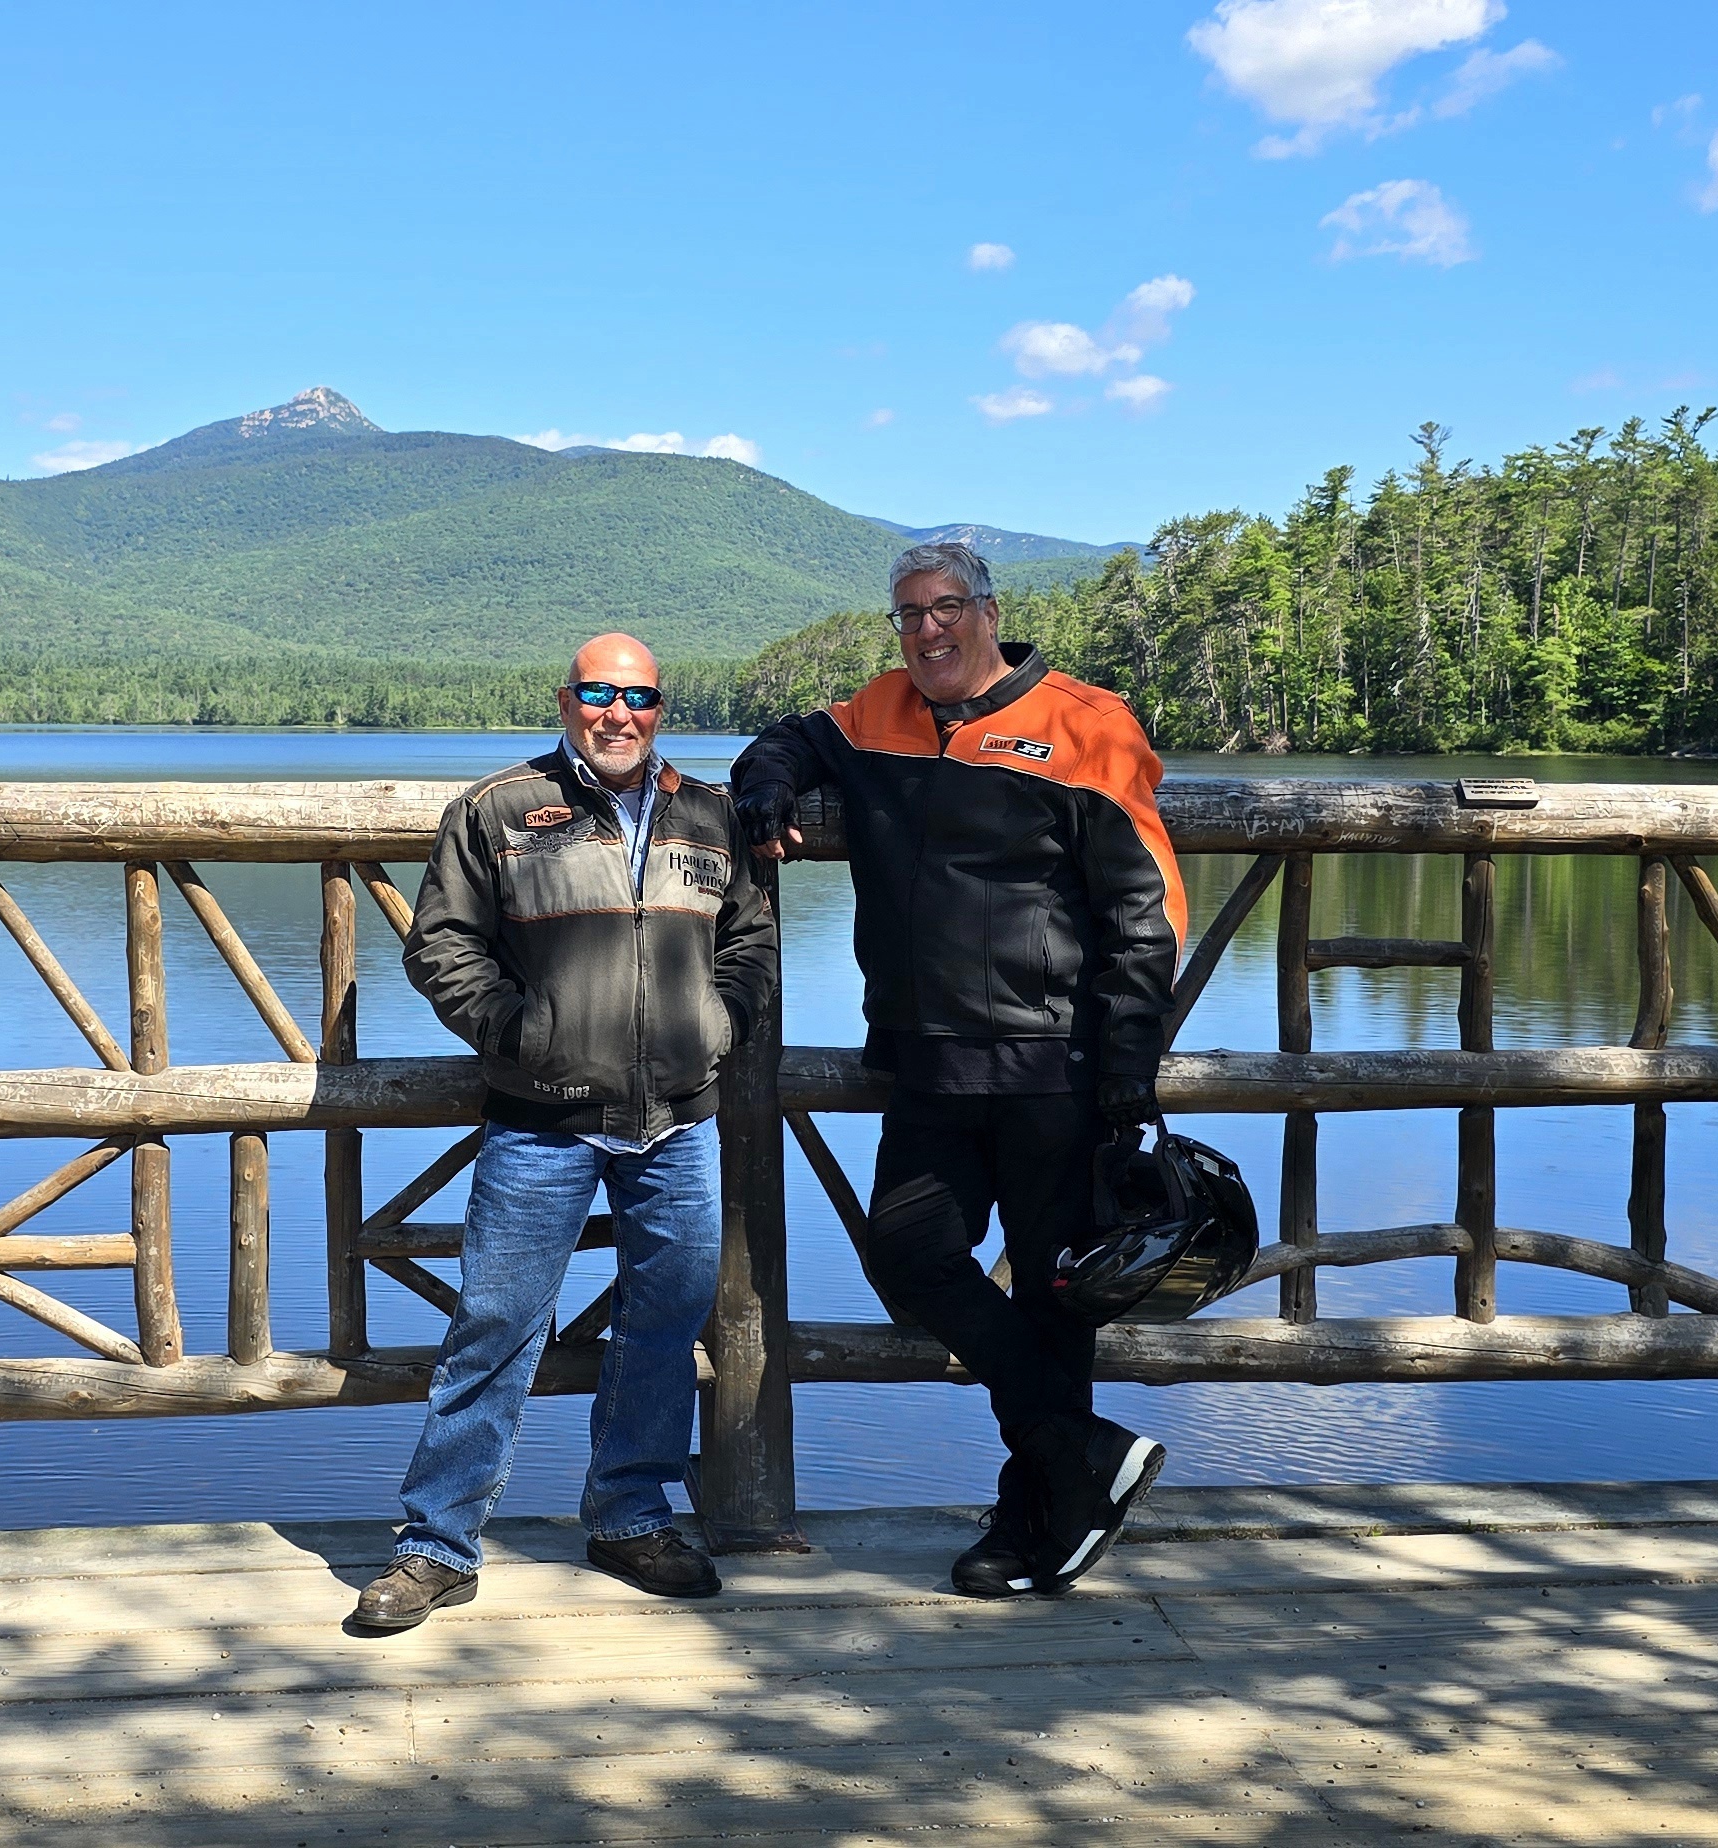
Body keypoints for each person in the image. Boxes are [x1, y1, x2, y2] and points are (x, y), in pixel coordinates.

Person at [732, 539, 1186, 1599]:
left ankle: (1038, 1522)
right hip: (927, 1064)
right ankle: (1078, 1458)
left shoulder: (1086, 724)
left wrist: (1126, 1062)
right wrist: (765, 790)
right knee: (909, 1254)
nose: (927, 630)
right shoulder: (878, 712)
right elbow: (787, 741)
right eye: (907, 613)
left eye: (945, 608)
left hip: (1053, 1065)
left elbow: (1145, 907)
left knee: (1054, 1299)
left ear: (989, 612)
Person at [350, 631, 778, 1632]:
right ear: (565, 700)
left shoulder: (709, 815)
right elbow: (441, 943)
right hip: (540, 1120)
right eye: (598, 693)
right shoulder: (498, 810)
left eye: (638, 697)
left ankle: (629, 1516)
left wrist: (722, 1025)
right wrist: (516, 1032)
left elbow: (751, 939)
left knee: (665, 1328)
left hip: (679, 1118)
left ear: (660, 707)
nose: (617, 713)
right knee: (496, 1326)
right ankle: (435, 1546)